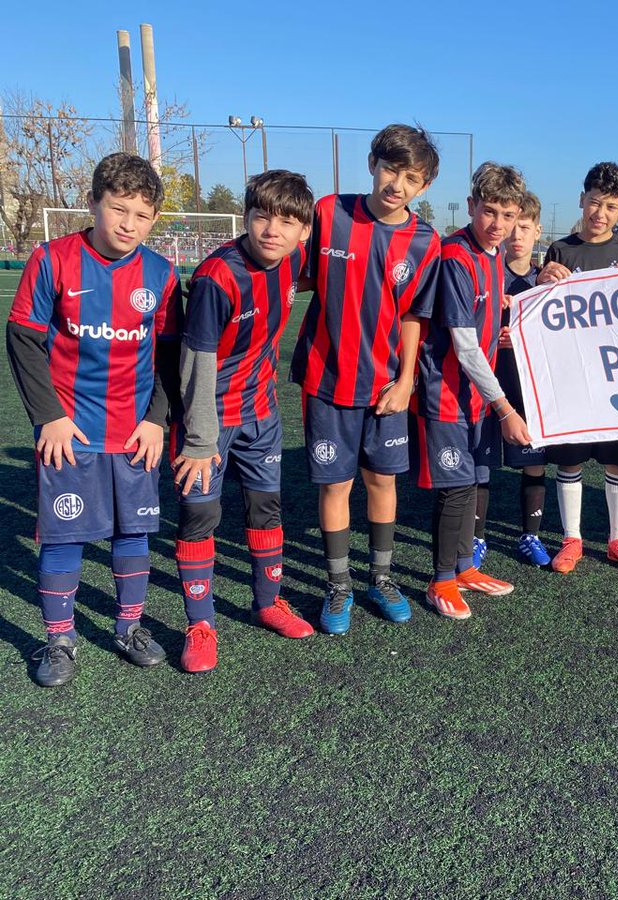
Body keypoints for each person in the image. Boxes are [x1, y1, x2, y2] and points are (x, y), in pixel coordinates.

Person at [6, 152, 181, 686]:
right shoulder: (53, 258)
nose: (129, 224)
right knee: (63, 535)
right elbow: (23, 339)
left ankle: (129, 626)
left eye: (142, 214)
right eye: (118, 208)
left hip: (134, 433)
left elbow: (171, 355)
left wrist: (156, 419)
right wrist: (50, 417)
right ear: (93, 203)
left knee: (134, 533)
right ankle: (59, 638)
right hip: (71, 431)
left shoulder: (161, 272)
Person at [290, 124, 441, 634]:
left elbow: (413, 316)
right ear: (373, 163)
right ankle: (338, 585)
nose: (397, 183)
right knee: (336, 485)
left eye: (412, 177)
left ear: (423, 187)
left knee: (382, 481)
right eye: (391, 168)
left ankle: (381, 577)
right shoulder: (330, 213)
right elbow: (297, 273)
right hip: (327, 379)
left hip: (383, 387)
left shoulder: (424, 240)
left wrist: (404, 381)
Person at [170, 170, 315, 673]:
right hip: (208, 422)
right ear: (248, 218)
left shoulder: (294, 259)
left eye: (287, 221)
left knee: (266, 509)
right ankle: (201, 623)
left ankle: (267, 602)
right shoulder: (218, 277)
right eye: (262, 216)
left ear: (303, 232)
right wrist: (199, 438)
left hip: (262, 414)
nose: (273, 230)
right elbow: (197, 361)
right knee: (200, 518)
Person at [415, 162, 531, 620]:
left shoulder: (493, 256)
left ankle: (464, 568)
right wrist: (504, 407)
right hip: (446, 393)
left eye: (507, 215)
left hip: (475, 396)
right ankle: (440, 579)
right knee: (457, 488)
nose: (498, 224)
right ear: (470, 207)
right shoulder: (456, 256)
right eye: (489, 211)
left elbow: (482, 325)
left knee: (473, 482)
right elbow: (463, 343)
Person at [537, 162, 618, 575]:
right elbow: (543, 311)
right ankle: (572, 539)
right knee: (570, 459)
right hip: (573, 374)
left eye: (612, 206)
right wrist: (542, 279)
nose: (600, 213)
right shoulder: (560, 250)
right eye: (595, 202)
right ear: (582, 200)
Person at [494, 191, 551, 567]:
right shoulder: (487, 272)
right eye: (511, 226)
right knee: (480, 464)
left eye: (525, 227)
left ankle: (530, 535)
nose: (517, 235)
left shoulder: (547, 279)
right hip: (489, 383)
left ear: (538, 232)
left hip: (530, 388)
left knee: (535, 463)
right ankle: (477, 538)